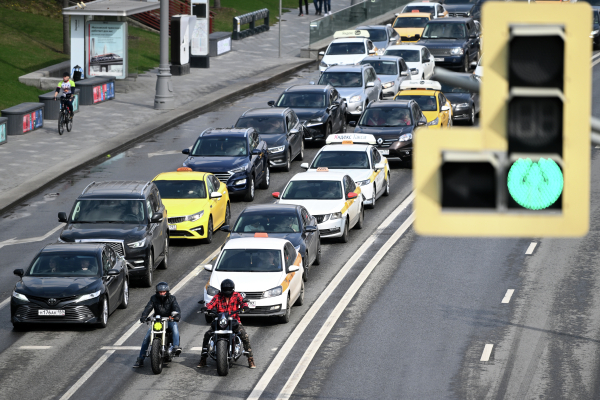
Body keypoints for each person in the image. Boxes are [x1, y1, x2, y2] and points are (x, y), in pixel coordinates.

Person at [198, 279, 256, 369]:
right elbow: (211, 304)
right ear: (222, 290)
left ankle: (250, 359)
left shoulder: (237, 295)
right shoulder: (218, 296)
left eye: (229, 290)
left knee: (245, 336)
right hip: (220, 321)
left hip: (234, 321)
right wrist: (206, 308)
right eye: (225, 290)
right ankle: (203, 358)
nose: (227, 292)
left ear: (232, 289)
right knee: (207, 335)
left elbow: (242, 302)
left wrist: (245, 307)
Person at [133, 282, 182, 368]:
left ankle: (175, 347)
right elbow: (148, 307)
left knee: (175, 328)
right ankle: (140, 359)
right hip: (157, 321)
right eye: (160, 292)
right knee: (147, 337)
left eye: (164, 292)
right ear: (157, 292)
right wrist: (144, 316)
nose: (162, 293)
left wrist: (176, 316)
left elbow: (176, 308)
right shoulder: (153, 298)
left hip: (169, 319)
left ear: (167, 291)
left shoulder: (172, 298)